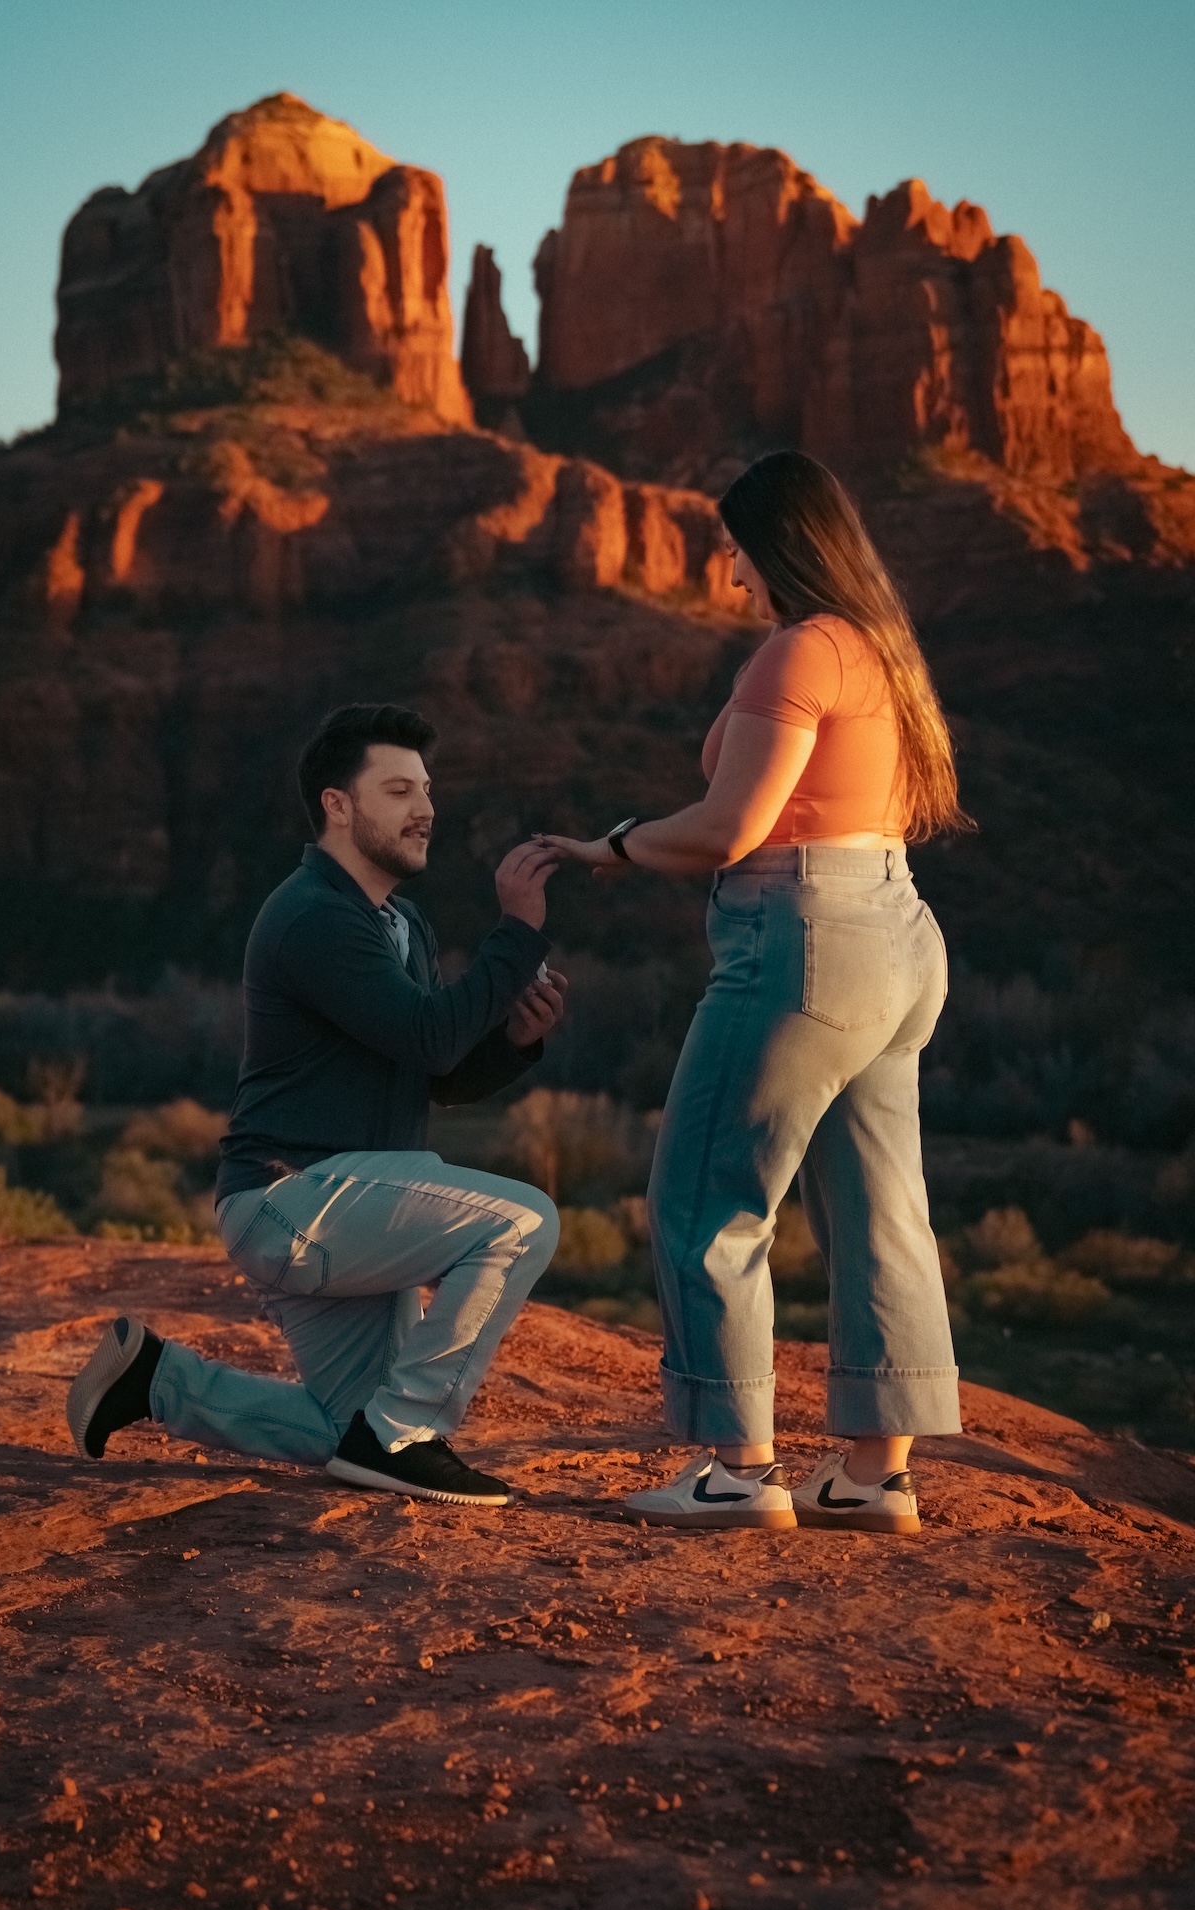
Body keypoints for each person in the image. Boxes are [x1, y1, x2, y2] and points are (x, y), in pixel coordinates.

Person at [538, 451, 970, 1535]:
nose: (727, 577)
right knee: (881, 1212)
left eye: (733, 552)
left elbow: (731, 827)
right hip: (898, 935)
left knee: (704, 1199)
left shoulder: (797, 653)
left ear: (777, 547)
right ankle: (873, 1475)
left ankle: (738, 1471)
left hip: (802, 940)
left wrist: (612, 845)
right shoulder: (881, 653)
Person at [67, 703, 566, 1508]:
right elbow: (431, 1036)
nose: (426, 810)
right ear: (339, 806)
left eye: (427, 791)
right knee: (524, 1221)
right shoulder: (312, 916)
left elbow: (431, 1071)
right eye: (399, 790)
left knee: (347, 1429)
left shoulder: (399, 924)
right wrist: (516, 933)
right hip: (295, 1197)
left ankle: (156, 1381)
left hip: (350, 1203)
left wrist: (513, 1041)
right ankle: (407, 1434)